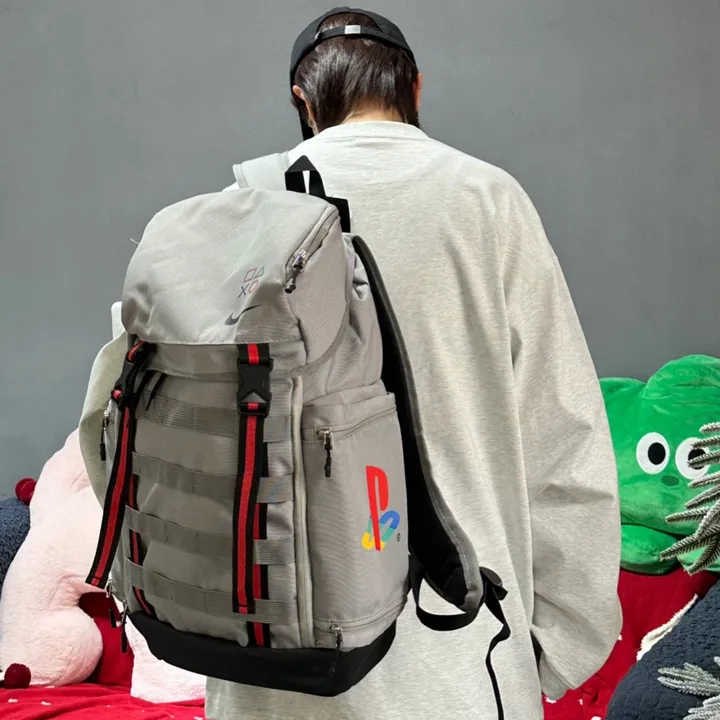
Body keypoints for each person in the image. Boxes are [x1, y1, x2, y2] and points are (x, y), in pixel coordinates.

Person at [209, 7, 621, 720]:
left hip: (271, 663)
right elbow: (565, 435)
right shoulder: (488, 201)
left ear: (302, 101)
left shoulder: (236, 211)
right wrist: (557, 646)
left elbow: (125, 430)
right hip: (463, 646)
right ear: (415, 87)